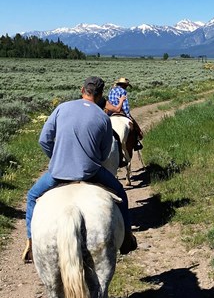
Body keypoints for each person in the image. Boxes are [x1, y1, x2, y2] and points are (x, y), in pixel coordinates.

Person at [22, 76, 137, 263]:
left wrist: (58, 157)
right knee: (121, 194)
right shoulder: (103, 117)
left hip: (58, 172)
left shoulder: (61, 108)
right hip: (90, 171)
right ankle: (126, 239)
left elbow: (44, 140)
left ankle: (31, 243)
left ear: (82, 90)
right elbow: (105, 151)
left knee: (32, 196)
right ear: (100, 95)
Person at [108, 77, 143, 150]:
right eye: (126, 85)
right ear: (124, 85)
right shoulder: (123, 91)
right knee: (134, 127)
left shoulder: (112, 90)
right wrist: (128, 115)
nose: (126, 87)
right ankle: (137, 142)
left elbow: (109, 102)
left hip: (111, 111)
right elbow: (125, 106)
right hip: (120, 111)